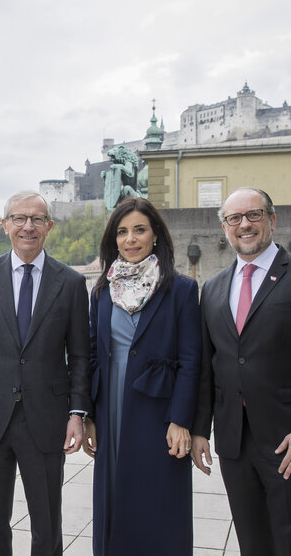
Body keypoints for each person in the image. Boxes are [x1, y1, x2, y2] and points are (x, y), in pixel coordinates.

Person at [190, 187, 291, 556]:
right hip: (233, 441)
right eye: (234, 218)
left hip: (290, 440)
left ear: (272, 220)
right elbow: (208, 369)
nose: (244, 225)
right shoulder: (212, 289)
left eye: (253, 215)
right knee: (252, 541)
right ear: (224, 228)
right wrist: (199, 429)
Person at [0, 190, 91, 556]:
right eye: (19, 218)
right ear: (5, 225)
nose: (28, 226)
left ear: (49, 226)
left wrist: (77, 414)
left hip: (46, 418)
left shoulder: (71, 284)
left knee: (47, 523)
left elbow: (79, 356)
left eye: (37, 219)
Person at [81, 198, 200, 554]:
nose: (130, 239)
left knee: (159, 503)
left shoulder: (180, 290)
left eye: (139, 230)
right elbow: (91, 356)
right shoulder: (102, 291)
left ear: (156, 235)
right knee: (113, 497)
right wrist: (87, 414)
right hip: (110, 411)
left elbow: (191, 360)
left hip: (159, 413)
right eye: (122, 232)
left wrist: (181, 420)